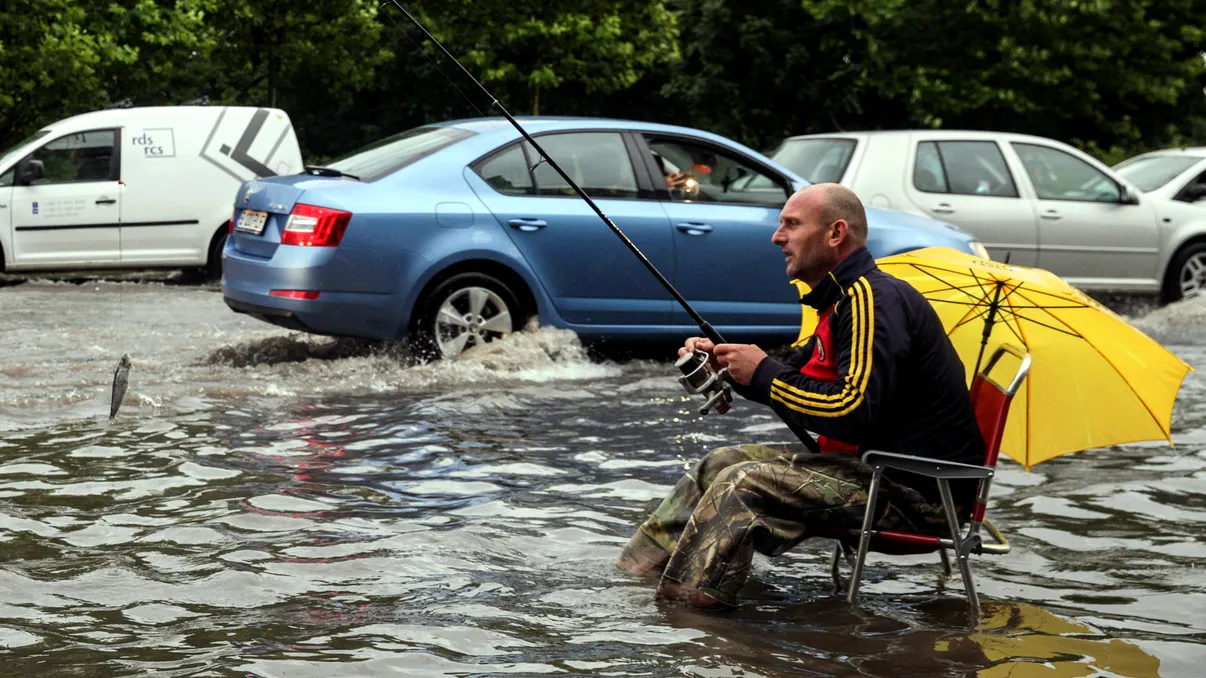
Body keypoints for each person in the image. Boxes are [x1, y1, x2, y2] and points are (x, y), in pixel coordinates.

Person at [616, 183, 986, 610]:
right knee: (719, 464)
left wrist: (763, 375)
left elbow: (854, 408)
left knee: (743, 482)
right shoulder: (843, 300)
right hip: (875, 474)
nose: (777, 237)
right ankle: (629, 580)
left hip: (915, 496)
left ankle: (689, 617)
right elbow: (794, 373)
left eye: (791, 224)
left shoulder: (871, 298)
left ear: (835, 233)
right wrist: (728, 363)